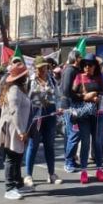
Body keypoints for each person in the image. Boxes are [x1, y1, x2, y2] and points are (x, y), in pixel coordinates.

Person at [24, 56, 61, 187]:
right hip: (36, 114)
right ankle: (28, 175)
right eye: (40, 67)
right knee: (33, 145)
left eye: (44, 67)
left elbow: (58, 96)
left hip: (50, 114)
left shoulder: (51, 80)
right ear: (35, 68)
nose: (43, 70)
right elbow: (26, 99)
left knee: (49, 145)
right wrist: (38, 99)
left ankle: (52, 174)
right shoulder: (30, 80)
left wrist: (59, 107)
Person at [71, 53, 103, 183]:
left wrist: (97, 95)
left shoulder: (99, 78)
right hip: (84, 115)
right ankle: (84, 171)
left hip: (98, 114)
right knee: (85, 143)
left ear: (95, 66)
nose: (87, 67)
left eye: (90, 65)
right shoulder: (78, 77)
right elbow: (72, 94)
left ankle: (99, 170)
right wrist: (84, 97)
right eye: (85, 65)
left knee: (97, 142)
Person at [0, 60, 32, 199]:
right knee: (11, 158)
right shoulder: (14, 90)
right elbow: (14, 112)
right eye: (25, 74)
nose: (27, 76)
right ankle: (9, 187)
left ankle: (18, 184)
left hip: (18, 127)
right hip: (13, 128)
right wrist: (21, 131)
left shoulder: (19, 89)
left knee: (17, 157)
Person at [60, 49, 82, 172]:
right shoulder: (69, 70)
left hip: (73, 105)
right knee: (73, 134)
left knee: (71, 134)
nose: (82, 59)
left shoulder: (74, 70)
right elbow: (67, 90)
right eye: (80, 57)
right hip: (70, 106)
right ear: (76, 58)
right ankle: (68, 162)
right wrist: (81, 96)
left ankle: (71, 159)